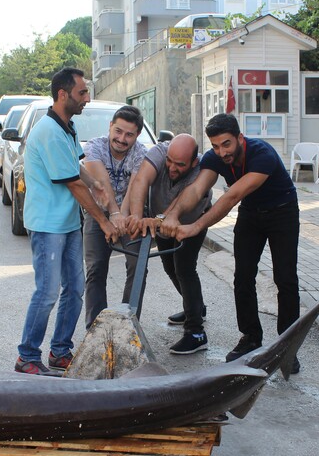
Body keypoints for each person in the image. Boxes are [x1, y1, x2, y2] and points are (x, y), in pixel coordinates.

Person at [159, 114, 301, 372]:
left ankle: (286, 347)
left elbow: (232, 196)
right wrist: (173, 215)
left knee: (286, 279)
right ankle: (250, 337)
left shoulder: (262, 155)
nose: (221, 152)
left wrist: (196, 226)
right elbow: (196, 189)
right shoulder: (214, 158)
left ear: (239, 138)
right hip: (251, 213)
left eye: (226, 144)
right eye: (215, 146)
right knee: (243, 276)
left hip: (283, 212)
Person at [16, 67, 118, 376]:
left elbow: (77, 166)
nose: (87, 98)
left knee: (74, 288)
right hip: (48, 225)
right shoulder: (48, 131)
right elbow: (72, 183)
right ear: (64, 94)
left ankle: (60, 351)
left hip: (67, 223)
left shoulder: (66, 127)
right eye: (82, 93)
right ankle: (27, 357)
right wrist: (103, 221)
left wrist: (97, 185)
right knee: (47, 292)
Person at [126, 134, 211, 355]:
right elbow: (141, 180)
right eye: (170, 161)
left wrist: (160, 219)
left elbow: (181, 201)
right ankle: (194, 306)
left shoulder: (202, 169)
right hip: (161, 222)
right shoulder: (159, 152)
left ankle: (196, 332)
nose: (172, 167)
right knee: (169, 267)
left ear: (193, 162)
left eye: (179, 164)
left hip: (190, 221)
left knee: (184, 268)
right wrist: (136, 216)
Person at [80, 105, 148, 328]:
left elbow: (136, 187)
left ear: (137, 135)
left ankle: (128, 323)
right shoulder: (94, 146)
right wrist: (113, 214)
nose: (121, 139)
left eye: (129, 134)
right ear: (110, 127)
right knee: (96, 268)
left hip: (128, 215)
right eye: (118, 131)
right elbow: (101, 185)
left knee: (138, 265)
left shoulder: (141, 152)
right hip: (99, 213)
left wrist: (123, 216)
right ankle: (95, 327)